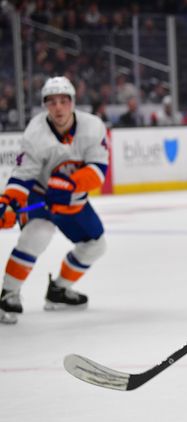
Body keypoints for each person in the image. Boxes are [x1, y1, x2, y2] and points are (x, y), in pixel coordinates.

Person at [0, 76, 109, 325]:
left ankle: (59, 291)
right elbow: (23, 175)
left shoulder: (92, 126)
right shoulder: (35, 132)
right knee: (38, 233)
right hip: (41, 195)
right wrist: (8, 202)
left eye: (63, 101)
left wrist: (70, 184)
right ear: (45, 106)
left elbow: (99, 169)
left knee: (96, 245)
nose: (58, 107)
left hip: (73, 199)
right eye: (52, 102)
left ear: (72, 102)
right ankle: (9, 293)